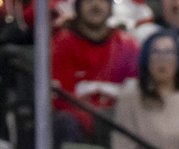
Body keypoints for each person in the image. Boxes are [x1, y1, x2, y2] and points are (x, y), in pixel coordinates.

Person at [52, 0, 139, 139]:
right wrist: (95, 122)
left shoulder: (129, 46)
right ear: (78, 7)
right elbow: (60, 99)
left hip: (120, 125)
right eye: (88, 1)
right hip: (79, 128)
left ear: (110, 7)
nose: (96, 5)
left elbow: (137, 94)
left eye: (102, 1)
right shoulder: (61, 44)